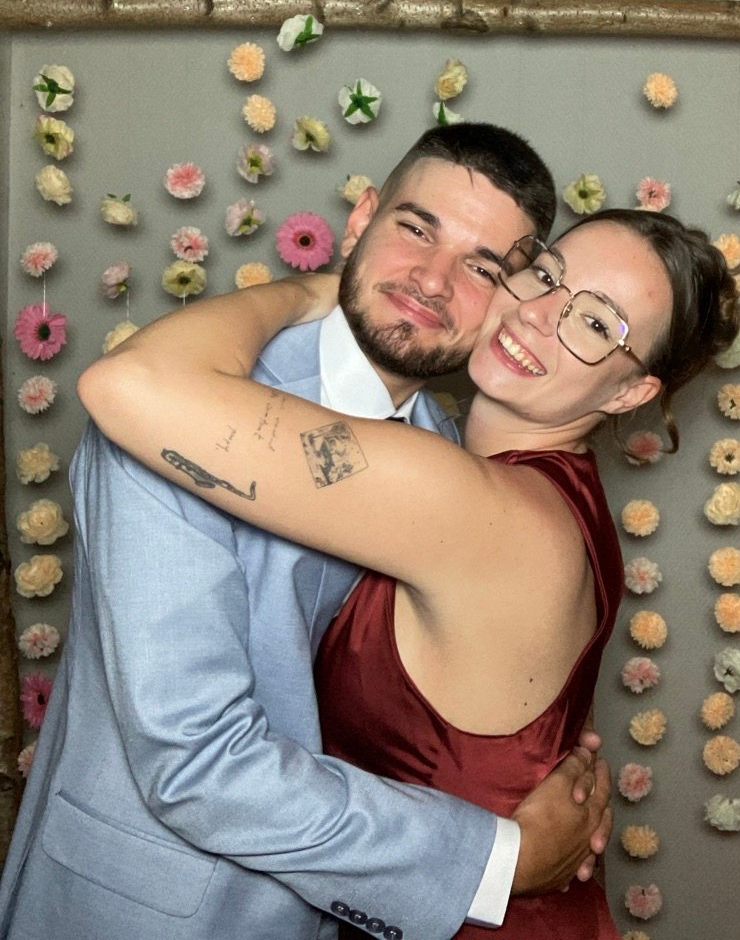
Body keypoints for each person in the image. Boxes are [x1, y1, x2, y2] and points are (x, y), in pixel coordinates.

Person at [0, 124, 613, 940]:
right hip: (138, 913)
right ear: (359, 221)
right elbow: (196, 762)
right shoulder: (180, 406)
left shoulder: (448, 463)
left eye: (481, 267)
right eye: (416, 228)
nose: (432, 280)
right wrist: (497, 859)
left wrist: (533, 760)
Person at [75, 206, 740, 939]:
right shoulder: (554, 500)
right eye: (547, 274)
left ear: (627, 393)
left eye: (593, 323)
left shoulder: (466, 503)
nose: (538, 314)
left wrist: (313, 290)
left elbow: (130, 382)